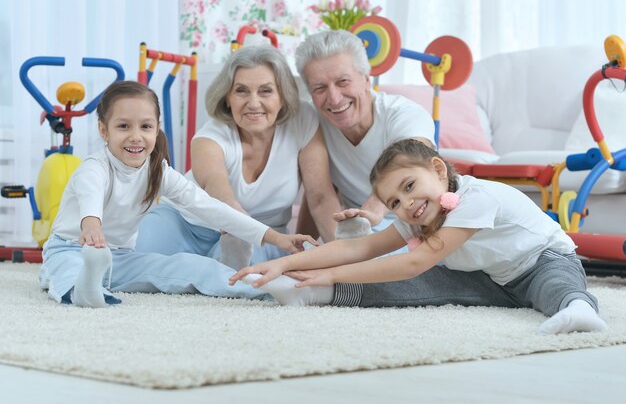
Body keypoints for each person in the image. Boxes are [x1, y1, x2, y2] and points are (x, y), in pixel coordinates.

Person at [230, 139, 609, 335]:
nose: (407, 204)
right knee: (412, 284)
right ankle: (315, 294)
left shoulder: (475, 199)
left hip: (541, 260)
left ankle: (578, 310)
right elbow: (358, 247)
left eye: (410, 187)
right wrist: (286, 261)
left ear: (438, 170)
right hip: (494, 277)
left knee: (553, 285)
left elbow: (415, 260)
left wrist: (333, 272)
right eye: (394, 200)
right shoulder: (416, 215)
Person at [39, 80, 317, 308]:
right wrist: (91, 227)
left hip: (122, 257)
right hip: (71, 249)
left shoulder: (157, 171)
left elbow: (211, 208)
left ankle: (263, 290)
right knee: (69, 273)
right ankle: (85, 289)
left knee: (189, 266)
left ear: (156, 129)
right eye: (123, 126)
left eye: (145, 127)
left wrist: (277, 237)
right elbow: (91, 199)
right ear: (104, 130)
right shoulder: (94, 168)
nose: (136, 136)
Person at [135, 45, 341, 269]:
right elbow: (221, 193)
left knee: (247, 267)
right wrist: (239, 229)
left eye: (266, 91)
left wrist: (346, 253)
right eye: (241, 91)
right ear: (227, 98)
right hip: (187, 225)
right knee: (137, 259)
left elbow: (320, 196)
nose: (253, 103)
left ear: (283, 96)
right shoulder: (209, 138)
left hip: (263, 235)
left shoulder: (303, 120)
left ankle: (207, 270)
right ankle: (205, 269)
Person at [293, 29, 436, 240]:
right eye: (320, 88)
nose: (334, 98)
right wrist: (335, 252)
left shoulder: (404, 114)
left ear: (367, 80)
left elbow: (409, 167)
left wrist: (370, 214)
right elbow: (319, 196)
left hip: (419, 225)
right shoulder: (312, 122)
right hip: (359, 232)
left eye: (343, 82)